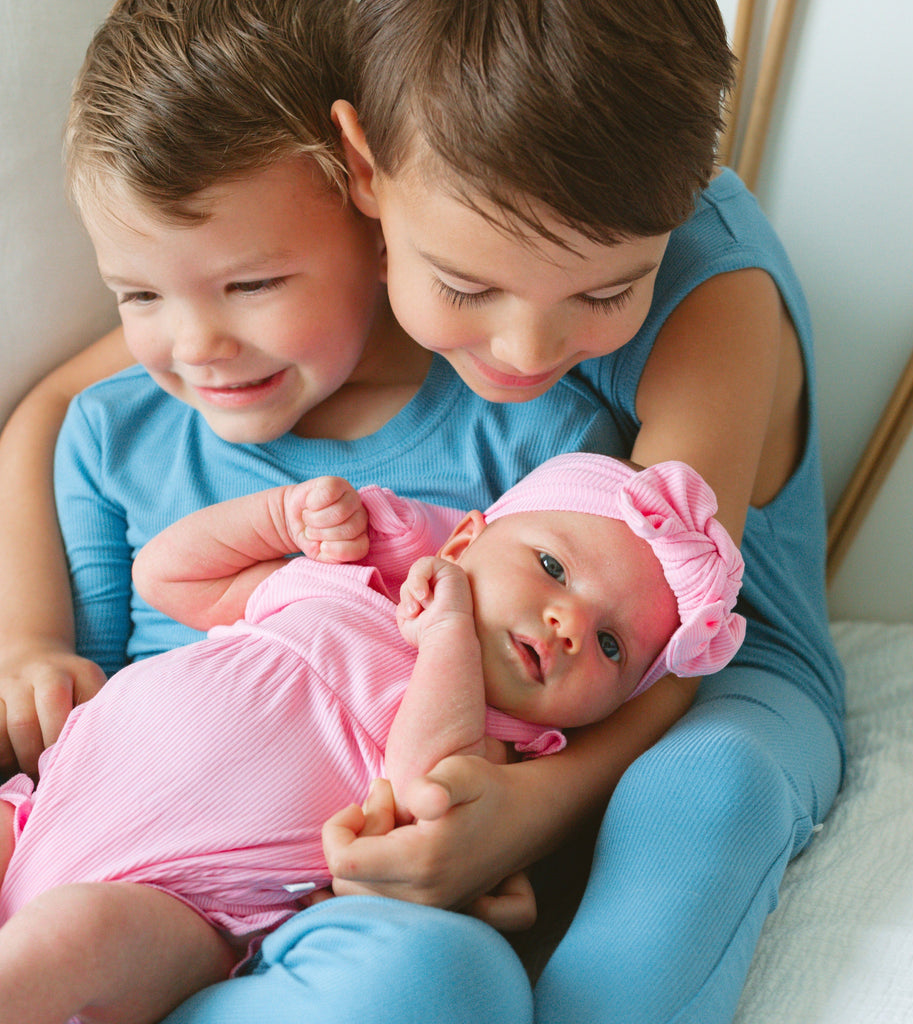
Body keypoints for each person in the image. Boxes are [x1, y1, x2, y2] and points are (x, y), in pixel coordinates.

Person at [0, 1, 846, 1021]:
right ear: (369, 187)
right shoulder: (355, 208)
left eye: (607, 291)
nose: (531, 354)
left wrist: (526, 814)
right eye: (463, 282)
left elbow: (660, 637)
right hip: (250, 809)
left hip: (683, 665)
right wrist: (29, 636)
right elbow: (86, 389)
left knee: (706, 781)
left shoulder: (689, 288)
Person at [0, 453, 745, 1024]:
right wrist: (280, 518)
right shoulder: (341, 585)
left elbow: (417, 792)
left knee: (74, 938)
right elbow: (168, 577)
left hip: (182, 906)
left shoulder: (500, 748)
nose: (570, 624)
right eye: (552, 567)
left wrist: (450, 634)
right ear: (460, 543)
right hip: (50, 806)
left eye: (612, 645)